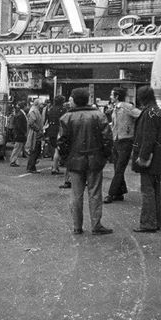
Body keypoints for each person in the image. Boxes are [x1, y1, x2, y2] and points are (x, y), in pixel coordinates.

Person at [57, 87, 113, 235]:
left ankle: (77, 226)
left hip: (75, 161)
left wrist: (66, 158)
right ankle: (96, 225)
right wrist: (104, 156)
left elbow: (62, 142)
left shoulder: (66, 118)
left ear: (74, 100)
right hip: (95, 160)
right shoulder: (99, 116)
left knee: (76, 194)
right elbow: (107, 139)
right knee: (95, 193)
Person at [131, 85, 161, 233]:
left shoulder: (149, 113)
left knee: (147, 191)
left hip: (150, 159)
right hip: (159, 158)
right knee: (156, 190)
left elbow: (148, 138)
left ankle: (148, 223)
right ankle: (156, 221)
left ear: (142, 98)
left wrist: (143, 157)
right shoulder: (158, 112)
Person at [105, 87, 141, 204]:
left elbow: (140, 115)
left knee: (119, 168)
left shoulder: (126, 107)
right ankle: (119, 193)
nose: (110, 97)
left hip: (125, 141)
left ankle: (110, 194)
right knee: (117, 168)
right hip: (116, 140)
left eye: (111, 95)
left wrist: (132, 129)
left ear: (116, 96)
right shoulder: (115, 108)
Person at [44, 95, 67, 174]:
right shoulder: (63, 110)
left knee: (54, 149)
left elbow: (48, 119)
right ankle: (54, 168)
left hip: (51, 130)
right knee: (58, 150)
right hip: (59, 131)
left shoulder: (51, 109)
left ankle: (55, 166)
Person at [25, 98, 45, 173]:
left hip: (36, 133)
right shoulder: (33, 111)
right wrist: (38, 130)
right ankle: (30, 167)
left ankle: (32, 167)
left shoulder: (35, 110)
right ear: (37, 104)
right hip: (34, 134)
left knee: (36, 150)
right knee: (34, 150)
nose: (42, 105)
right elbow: (31, 123)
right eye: (41, 104)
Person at [9, 101, 28, 167]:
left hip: (19, 133)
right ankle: (13, 161)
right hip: (20, 134)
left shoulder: (20, 114)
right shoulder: (21, 115)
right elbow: (19, 126)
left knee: (18, 148)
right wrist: (24, 132)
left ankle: (14, 160)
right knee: (17, 148)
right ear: (24, 106)